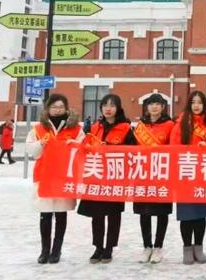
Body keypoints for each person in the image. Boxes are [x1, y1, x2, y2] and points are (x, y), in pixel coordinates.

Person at [25, 93, 84, 264]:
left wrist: (74, 144)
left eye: (61, 107)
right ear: (48, 109)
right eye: (54, 107)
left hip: (64, 177)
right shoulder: (38, 129)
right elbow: (31, 151)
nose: (57, 110)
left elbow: (83, 148)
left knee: (60, 214)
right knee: (45, 214)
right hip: (44, 176)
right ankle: (44, 251)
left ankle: (56, 250)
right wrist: (40, 144)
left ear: (66, 108)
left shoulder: (75, 129)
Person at [77, 94, 134, 264]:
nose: (108, 109)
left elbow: (133, 151)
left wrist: (110, 149)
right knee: (97, 214)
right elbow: (84, 148)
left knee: (113, 214)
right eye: (105, 105)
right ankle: (98, 247)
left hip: (115, 177)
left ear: (118, 108)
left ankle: (109, 247)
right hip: (96, 176)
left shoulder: (126, 128)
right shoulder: (95, 127)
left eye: (112, 105)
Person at [170, 91, 206, 265]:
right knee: (187, 215)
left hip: (204, 174)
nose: (196, 105)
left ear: (204, 105)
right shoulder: (181, 123)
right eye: (193, 102)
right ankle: (187, 248)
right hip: (185, 174)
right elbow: (174, 148)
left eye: (200, 102)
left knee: (201, 215)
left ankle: (199, 247)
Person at [133, 93, 175, 264]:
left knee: (161, 212)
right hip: (142, 174)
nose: (154, 107)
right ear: (147, 107)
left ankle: (158, 247)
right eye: (151, 104)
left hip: (162, 174)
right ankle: (147, 246)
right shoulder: (140, 126)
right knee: (144, 212)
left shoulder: (170, 125)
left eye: (158, 104)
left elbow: (174, 147)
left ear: (163, 107)